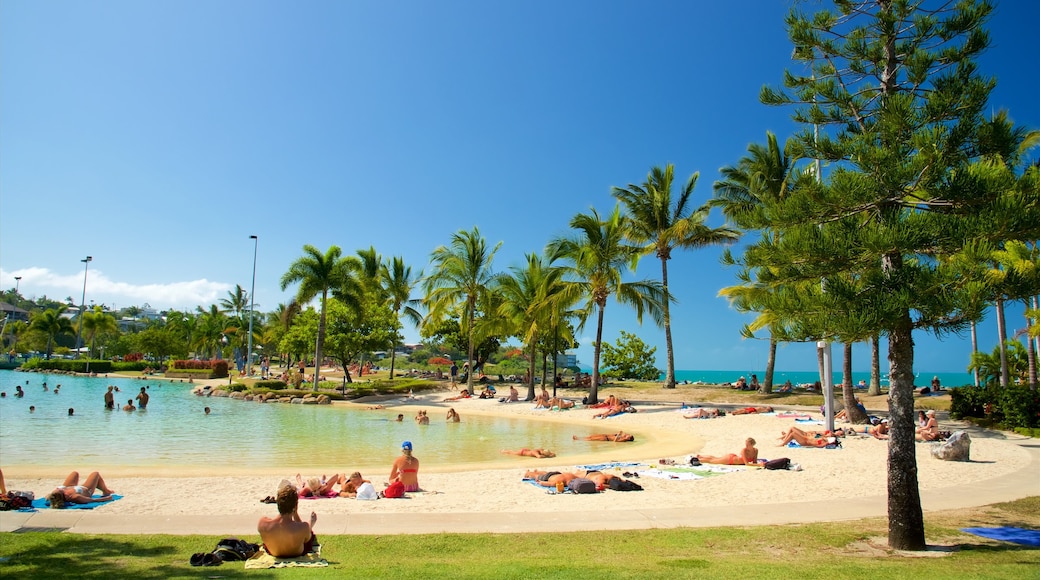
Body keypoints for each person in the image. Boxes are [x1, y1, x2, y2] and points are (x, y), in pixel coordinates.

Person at [257, 483, 318, 558]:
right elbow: (306, 539)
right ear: (295, 506)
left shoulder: (263, 523)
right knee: (308, 533)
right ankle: (311, 524)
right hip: (296, 553)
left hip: (274, 552)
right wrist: (298, 515)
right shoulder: (304, 527)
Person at [46, 471, 115, 508]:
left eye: (58, 489)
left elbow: (47, 497)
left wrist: (49, 497)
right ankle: (106, 491)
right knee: (95, 474)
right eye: (59, 490)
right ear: (63, 493)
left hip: (70, 487)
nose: (58, 489)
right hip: (87, 489)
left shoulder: (54, 495)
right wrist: (106, 498)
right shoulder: (74, 496)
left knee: (74, 473)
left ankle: (105, 490)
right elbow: (91, 500)